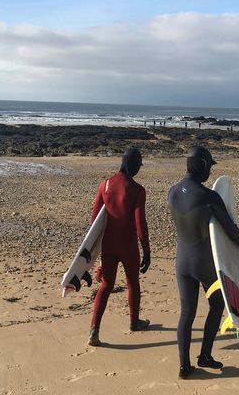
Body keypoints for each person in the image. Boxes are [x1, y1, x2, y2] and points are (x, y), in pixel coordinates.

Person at [168, 145, 239, 379]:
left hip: (182, 263)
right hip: (204, 265)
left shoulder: (172, 192)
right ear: (202, 165)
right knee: (216, 304)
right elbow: (230, 227)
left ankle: (184, 366)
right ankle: (204, 355)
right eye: (209, 166)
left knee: (186, 313)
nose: (210, 172)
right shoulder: (209, 196)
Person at [88, 148, 151, 346]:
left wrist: (93, 252)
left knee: (106, 285)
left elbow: (94, 222)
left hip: (108, 244)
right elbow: (140, 223)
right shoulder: (137, 190)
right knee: (133, 282)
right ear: (134, 166)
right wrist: (146, 250)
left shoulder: (104, 185)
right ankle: (134, 322)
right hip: (128, 245)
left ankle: (94, 331)